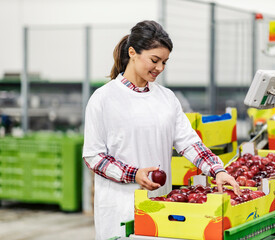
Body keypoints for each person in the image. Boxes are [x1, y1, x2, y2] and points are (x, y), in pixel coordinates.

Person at [82, 20, 240, 240]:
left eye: (165, 62)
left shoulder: (166, 98)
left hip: (161, 209)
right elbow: (93, 156)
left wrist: (217, 170)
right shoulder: (104, 98)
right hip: (120, 207)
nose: (160, 68)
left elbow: (188, 142)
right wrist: (134, 174)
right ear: (132, 52)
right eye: (154, 60)